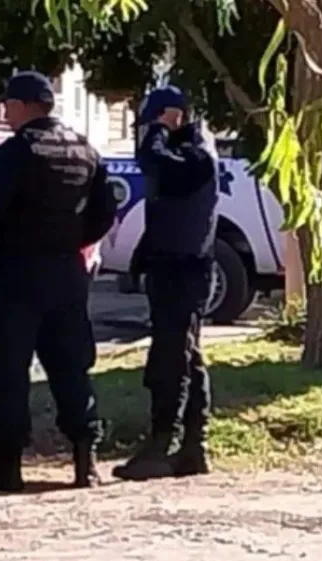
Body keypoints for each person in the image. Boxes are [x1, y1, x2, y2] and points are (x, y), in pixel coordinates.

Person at [0, 71, 117, 492]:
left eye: (8, 105)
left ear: (23, 106)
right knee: (71, 365)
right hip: (67, 273)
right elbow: (103, 216)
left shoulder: (12, 155)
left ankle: (9, 465)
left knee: (8, 370)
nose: (5, 113)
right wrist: (70, 242)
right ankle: (86, 460)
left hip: (17, 274)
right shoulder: (85, 152)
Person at [112, 86, 218, 481]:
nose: (148, 133)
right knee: (186, 356)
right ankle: (192, 446)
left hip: (184, 271)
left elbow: (154, 162)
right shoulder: (188, 153)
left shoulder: (195, 156)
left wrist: (159, 130)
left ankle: (163, 444)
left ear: (175, 115)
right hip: (174, 266)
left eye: (155, 122)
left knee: (171, 359)